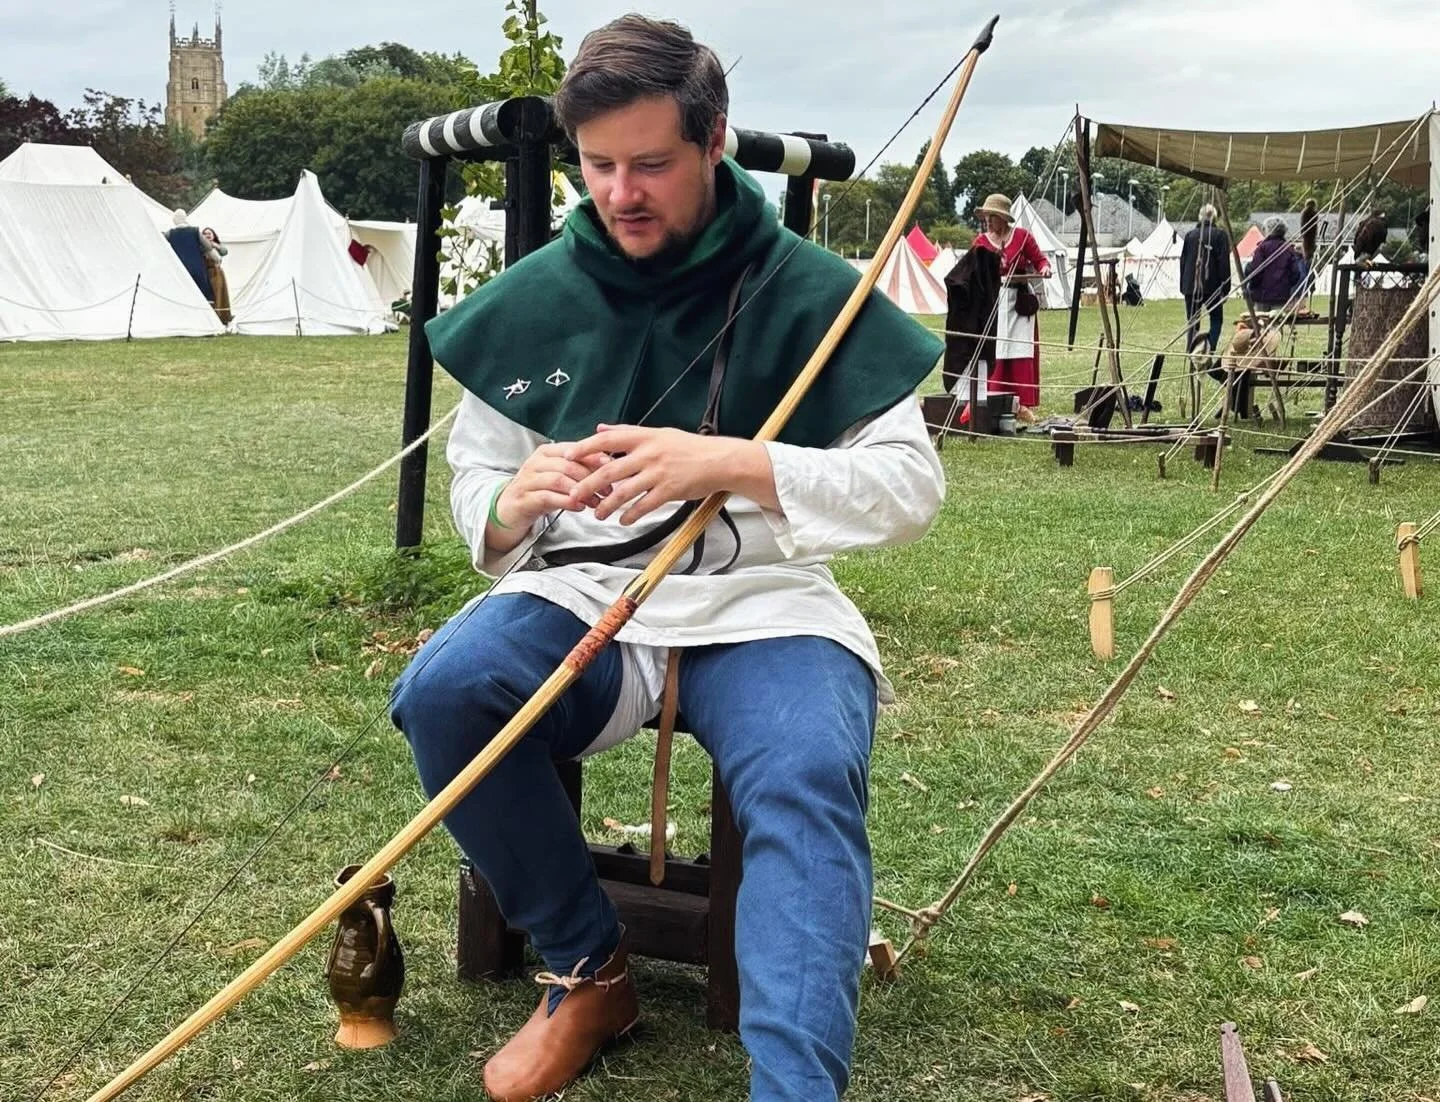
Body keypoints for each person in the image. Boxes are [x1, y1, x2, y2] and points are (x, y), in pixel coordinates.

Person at [388, 15, 946, 1102]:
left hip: (762, 599)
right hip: (584, 587)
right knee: (447, 693)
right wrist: (509, 505)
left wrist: (735, 463)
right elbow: (474, 481)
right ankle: (588, 973)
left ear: (715, 143)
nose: (621, 192)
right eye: (599, 165)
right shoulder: (540, 293)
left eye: (651, 164)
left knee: (805, 773)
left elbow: (910, 490)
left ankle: (795, 1086)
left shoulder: (807, 287)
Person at [970, 194, 1050, 424]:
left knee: (1018, 351)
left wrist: (1044, 269)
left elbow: (1041, 261)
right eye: (986, 217)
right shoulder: (981, 242)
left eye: (991, 216)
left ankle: (1021, 404)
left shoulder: (1023, 237)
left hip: (1019, 303)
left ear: (1003, 218)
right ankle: (995, 400)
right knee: (995, 350)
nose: (987, 221)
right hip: (994, 303)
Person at [1179, 203, 1231, 353]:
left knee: (1192, 322)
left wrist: (1183, 286)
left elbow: (1183, 262)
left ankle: (1191, 350)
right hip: (1212, 286)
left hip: (1191, 285)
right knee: (1216, 319)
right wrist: (1225, 289)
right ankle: (1209, 347)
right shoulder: (1220, 235)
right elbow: (1224, 264)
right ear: (1214, 217)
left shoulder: (1190, 235)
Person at [1243, 215, 1306, 314]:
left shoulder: (1262, 248)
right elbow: (1295, 274)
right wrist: (1286, 285)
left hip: (1262, 296)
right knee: (1276, 324)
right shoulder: (1288, 249)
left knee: (1261, 323)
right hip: (1281, 295)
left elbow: (1256, 271)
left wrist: (1253, 286)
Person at [200, 227, 232, 325]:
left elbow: (224, 252)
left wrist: (215, 245)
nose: (207, 235)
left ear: (213, 235)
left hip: (217, 273)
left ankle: (221, 317)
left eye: (209, 233)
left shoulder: (217, 246)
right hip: (205, 272)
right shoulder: (201, 246)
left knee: (218, 293)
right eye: (205, 234)